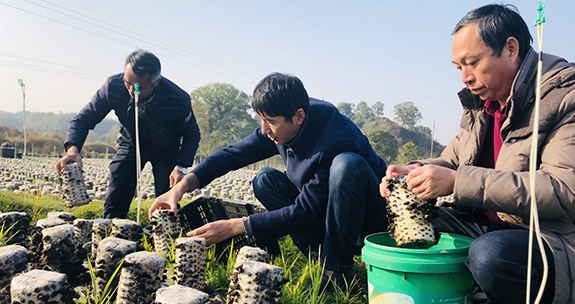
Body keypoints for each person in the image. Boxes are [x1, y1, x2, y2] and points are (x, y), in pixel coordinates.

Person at [380, 4, 575, 304]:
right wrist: (416, 170)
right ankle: (485, 298)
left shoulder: (565, 96)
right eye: (458, 68)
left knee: (490, 255)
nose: (465, 78)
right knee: (408, 219)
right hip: (490, 223)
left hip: (551, 239)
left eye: (472, 63)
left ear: (511, 48)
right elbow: (454, 158)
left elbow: (561, 192)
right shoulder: (481, 104)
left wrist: (456, 181)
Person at [149, 72, 388, 289]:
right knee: (265, 180)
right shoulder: (279, 122)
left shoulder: (336, 138)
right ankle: (320, 258)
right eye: (260, 120)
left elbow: (304, 210)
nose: (264, 130)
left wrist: (235, 226)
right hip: (325, 209)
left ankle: (337, 271)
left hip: (364, 218)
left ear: (299, 117)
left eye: (270, 122)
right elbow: (233, 154)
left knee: (347, 164)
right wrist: (181, 187)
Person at [56, 50, 200, 219]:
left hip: (166, 147)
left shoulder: (177, 98)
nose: (132, 91)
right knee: (118, 187)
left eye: (140, 87)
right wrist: (72, 150)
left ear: (156, 82)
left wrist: (181, 166)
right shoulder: (113, 87)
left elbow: (192, 135)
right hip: (131, 142)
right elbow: (82, 120)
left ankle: (166, 238)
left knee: (166, 196)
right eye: (128, 83)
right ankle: (110, 234)